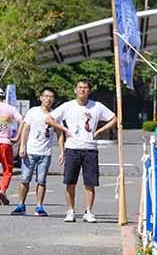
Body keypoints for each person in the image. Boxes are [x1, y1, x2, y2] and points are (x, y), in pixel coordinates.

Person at [47, 79, 117, 223]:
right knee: (70, 181)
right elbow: (49, 119)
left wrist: (100, 131)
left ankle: (88, 211)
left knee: (90, 183)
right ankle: (70, 211)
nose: (82, 90)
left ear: (89, 91)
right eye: (79, 88)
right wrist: (65, 129)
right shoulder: (68, 106)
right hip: (72, 148)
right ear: (75, 90)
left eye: (85, 88)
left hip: (90, 148)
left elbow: (114, 118)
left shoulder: (96, 106)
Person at [12, 87, 58, 217]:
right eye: (46, 96)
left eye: (51, 97)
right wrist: (22, 147)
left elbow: (60, 132)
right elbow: (25, 129)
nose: (48, 99)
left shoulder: (55, 114)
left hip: (45, 152)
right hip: (30, 151)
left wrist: (62, 151)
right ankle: (21, 204)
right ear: (41, 98)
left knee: (41, 181)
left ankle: (39, 206)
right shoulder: (33, 112)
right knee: (25, 179)